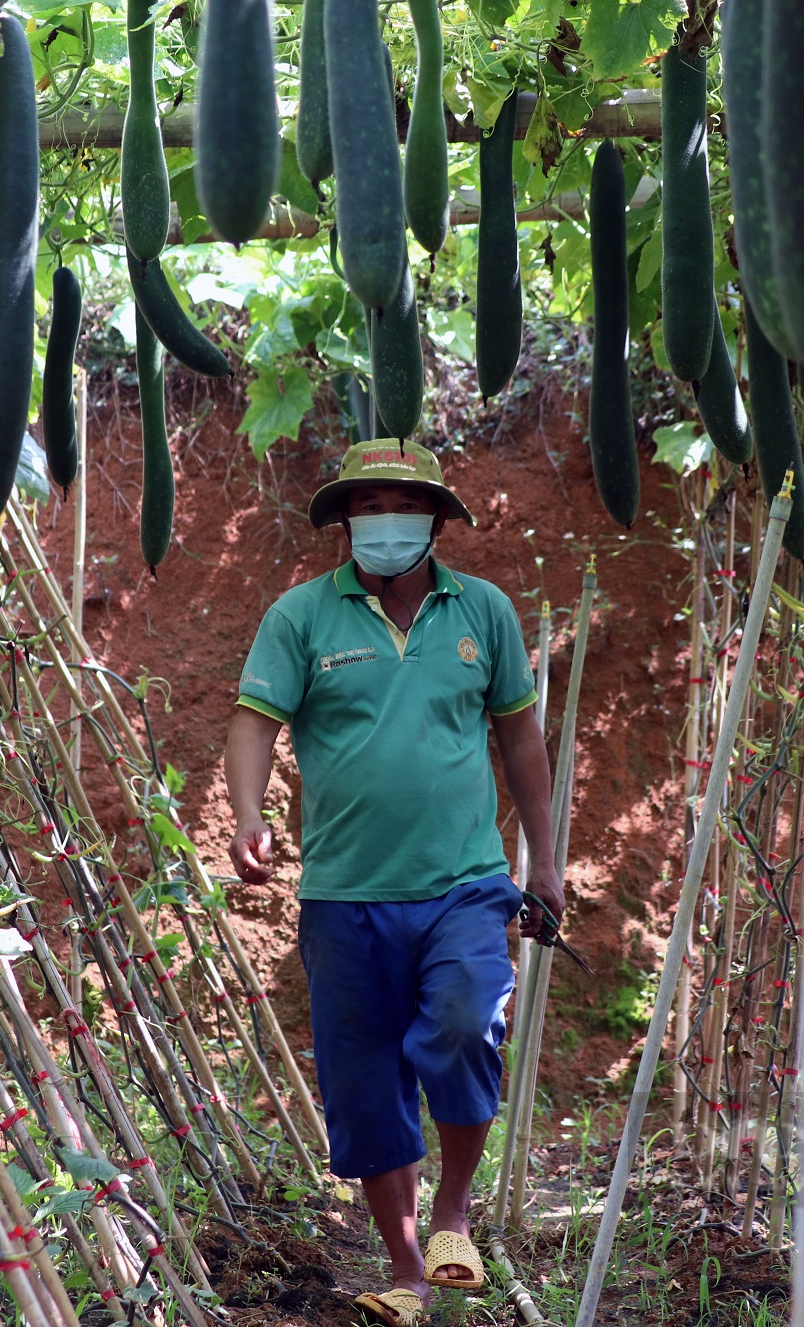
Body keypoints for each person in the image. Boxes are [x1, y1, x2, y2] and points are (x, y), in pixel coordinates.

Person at [225, 439, 563, 1327]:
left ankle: (452, 1210)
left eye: (401, 503)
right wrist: (249, 813)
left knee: (461, 1023)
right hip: (342, 893)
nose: (384, 519)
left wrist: (547, 859)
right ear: (343, 519)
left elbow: (521, 741)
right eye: (366, 505)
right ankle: (408, 1270)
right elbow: (253, 724)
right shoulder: (299, 618)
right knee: (365, 1082)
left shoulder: (483, 613)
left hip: (464, 882)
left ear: (438, 519)